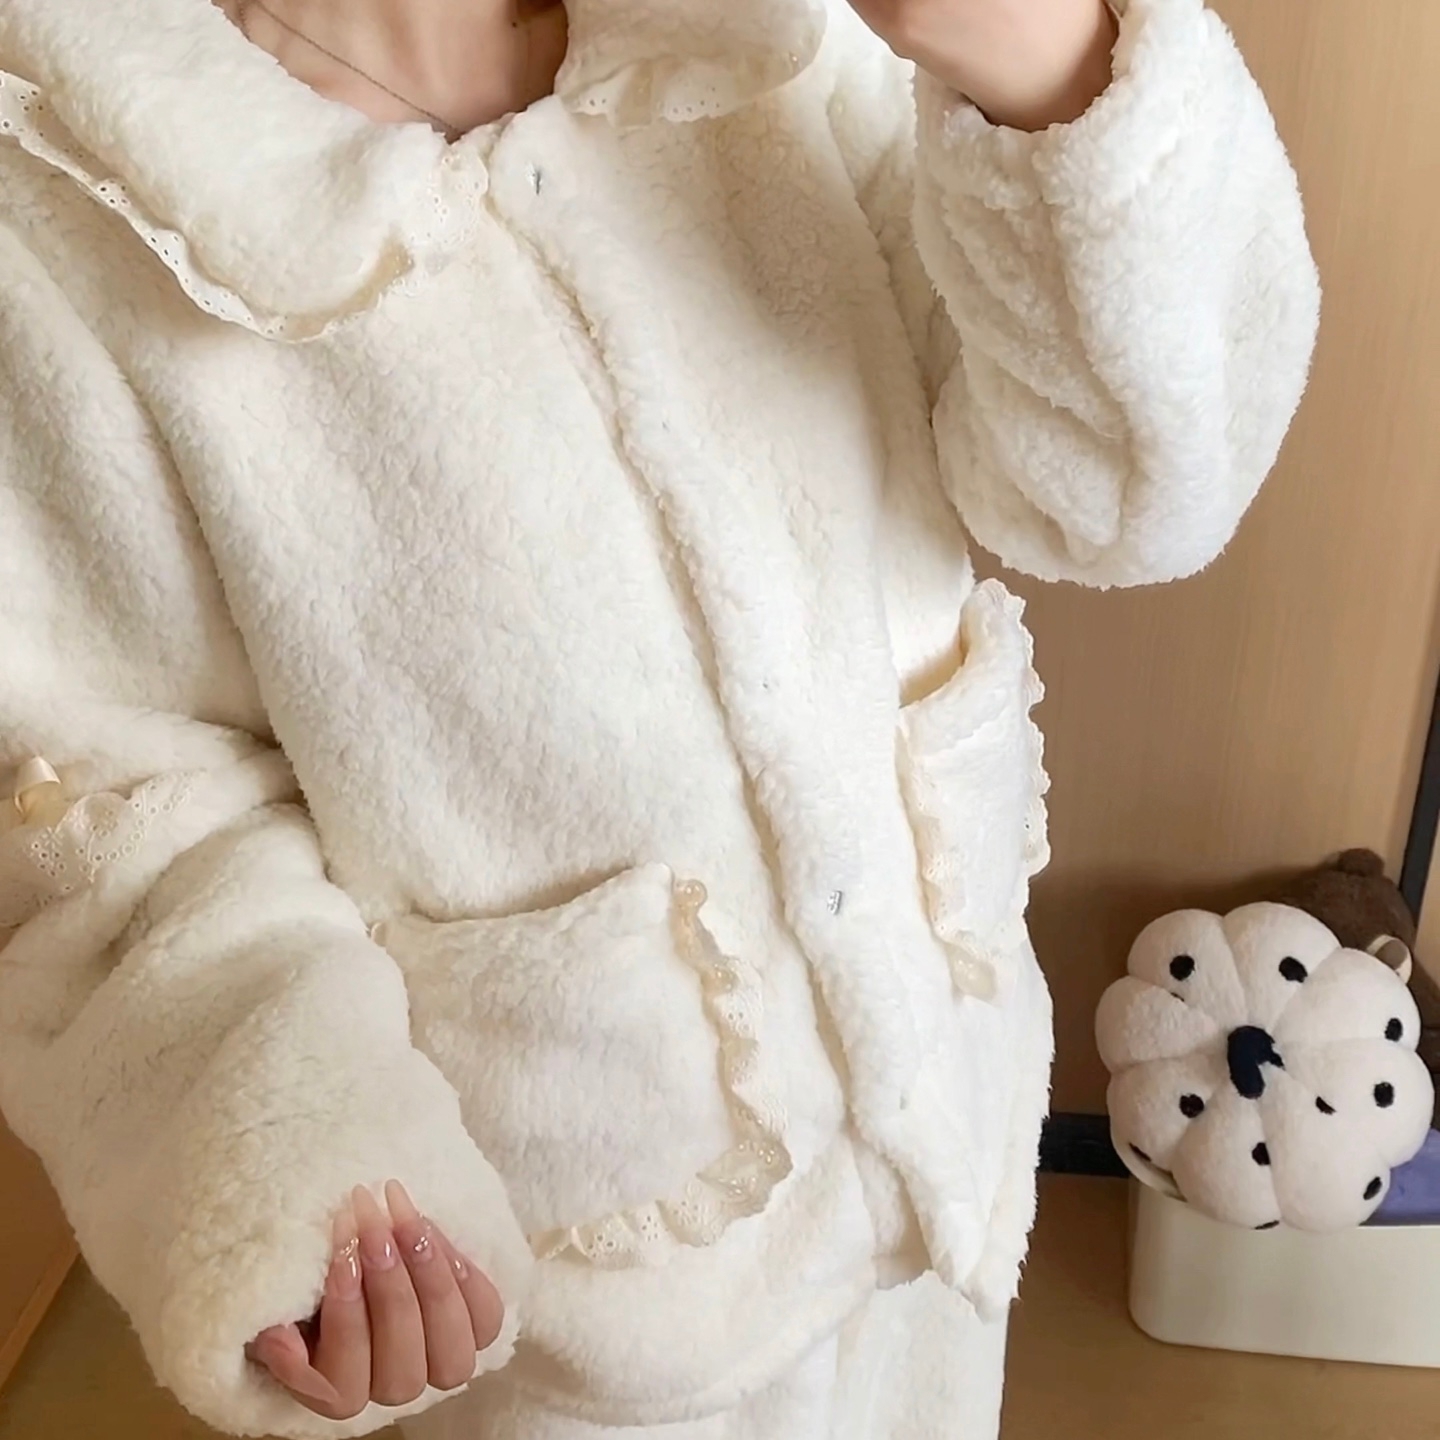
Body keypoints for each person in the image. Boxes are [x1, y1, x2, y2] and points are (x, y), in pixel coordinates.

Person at [0, 0, 1317, 1435]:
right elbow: (109, 814)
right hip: (587, 1282)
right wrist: (298, 1146)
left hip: (951, 1164)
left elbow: (1124, 485)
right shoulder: (78, 186)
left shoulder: (772, 31)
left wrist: (1049, 71)